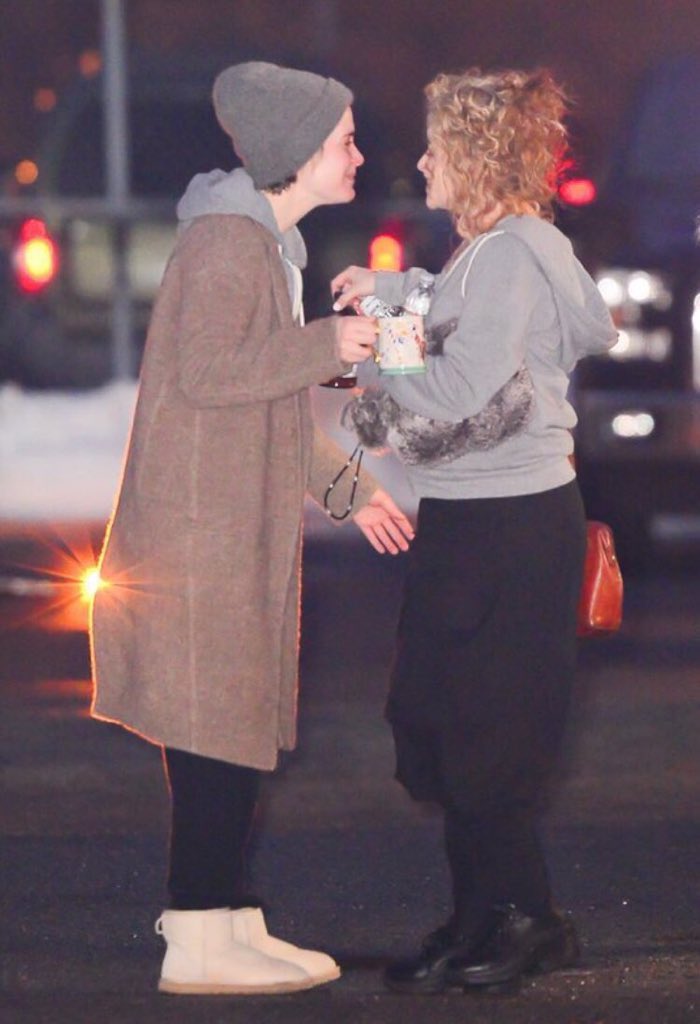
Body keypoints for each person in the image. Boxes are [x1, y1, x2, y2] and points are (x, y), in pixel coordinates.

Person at [89, 61, 413, 997]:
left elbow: (265, 405)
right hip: (202, 541)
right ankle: (196, 937)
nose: (358, 154)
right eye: (346, 139)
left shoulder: (263, 244)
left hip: (227, 533)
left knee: (227, 730)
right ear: (301, 152)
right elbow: (208, 374)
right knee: (214, 733)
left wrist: (357, 494)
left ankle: (227, 918)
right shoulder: (229, 245)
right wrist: (334, 343)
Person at [332, 67, 617, 995]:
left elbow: (459, 393)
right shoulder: (481, 255)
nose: (419, 163)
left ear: (477, 155)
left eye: (433, 147)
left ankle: (530, 919)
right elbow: (447, 325)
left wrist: (379, 350)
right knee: (445, 720)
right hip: (477, 517)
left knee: (489, 733)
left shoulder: (511, 256)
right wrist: (394, 290)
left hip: (510, 522)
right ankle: (479, 914)